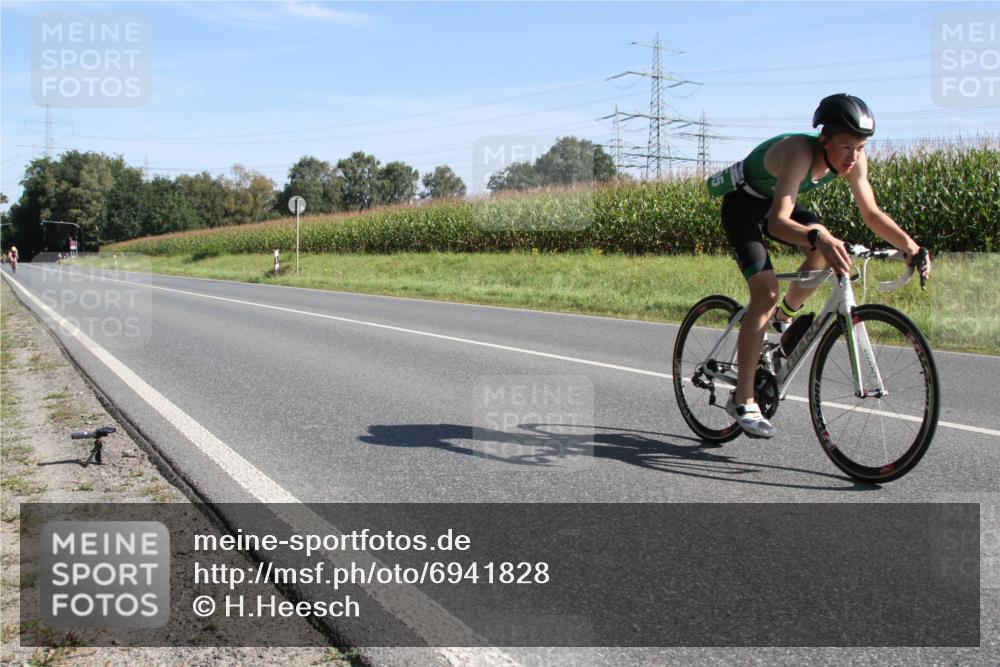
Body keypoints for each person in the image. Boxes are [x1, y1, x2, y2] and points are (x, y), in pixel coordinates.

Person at [709, 93, 930, 438]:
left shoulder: (855, 159)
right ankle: (743, 398)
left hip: (776, 203)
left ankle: (783, 317)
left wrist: (911, 247)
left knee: (828, 247)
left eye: (860, 147)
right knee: (766, 292)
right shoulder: (798, 151)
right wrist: (818, 237)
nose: (853, 157)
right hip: (744, 207)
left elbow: (871, 213)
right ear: (824, 139)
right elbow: (778, 223)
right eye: (846, 147)